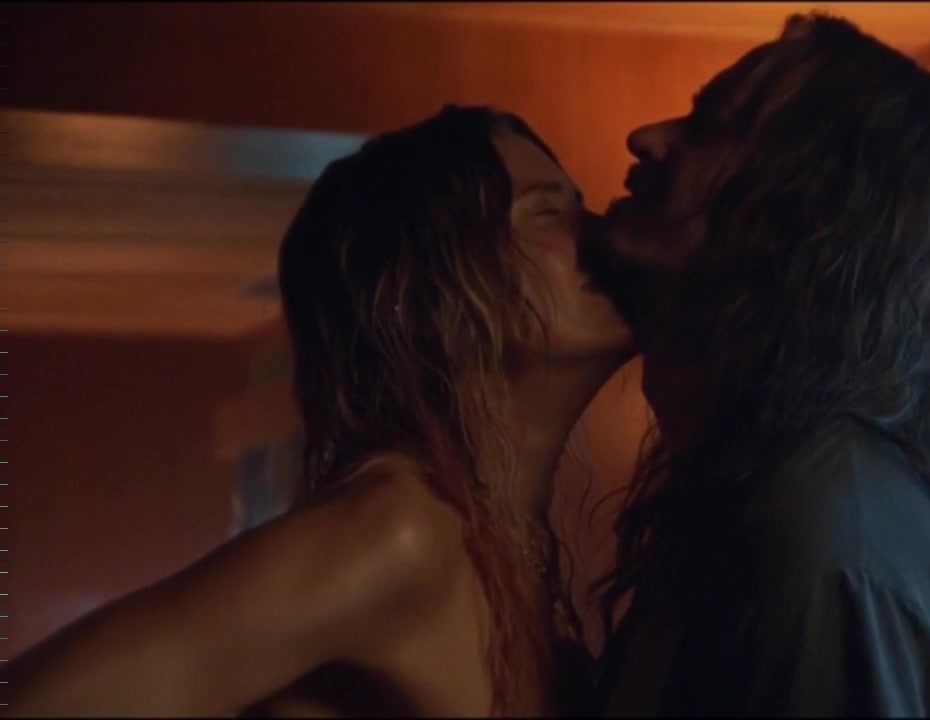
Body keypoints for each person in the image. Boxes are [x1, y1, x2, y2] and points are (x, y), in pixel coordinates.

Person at [0, 106, 632, 717]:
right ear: (431, 291)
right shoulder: (400, 532)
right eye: (547, 211)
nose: (602, 232)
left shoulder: (505, 545)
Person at [579, 13, 930, 717]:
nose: (646, 137)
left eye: (711, 128)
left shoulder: (824, 538)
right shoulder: (767, 493)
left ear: (809, 210)